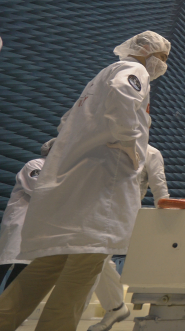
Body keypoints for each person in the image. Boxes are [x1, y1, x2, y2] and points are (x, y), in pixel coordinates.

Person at [0, 31, 171, 331]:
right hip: (101, 193)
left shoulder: (99, 78)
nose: (163, 64)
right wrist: (133, 149)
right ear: (146, 50)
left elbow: (65, 124)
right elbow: (123, 98)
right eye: (162, 57)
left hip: (75, 193)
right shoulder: (134, 69)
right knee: (81, 276)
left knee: (44, 268)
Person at [86, 144, 170, 331]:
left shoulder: (151, 153)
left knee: (90, 261)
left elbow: (160, 192)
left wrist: (166, 228)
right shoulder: (107, 144)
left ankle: (70, 316)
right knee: (96, 261)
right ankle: (115, 306)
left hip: (122, 215)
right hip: (95, 210)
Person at [0, 139, 54, 293]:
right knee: (5, 263)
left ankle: (7, 305)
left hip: (39, 227)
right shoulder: (36, 164)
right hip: (20, 222)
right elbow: (39, 190)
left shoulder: (63, 171)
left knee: (23, 268)